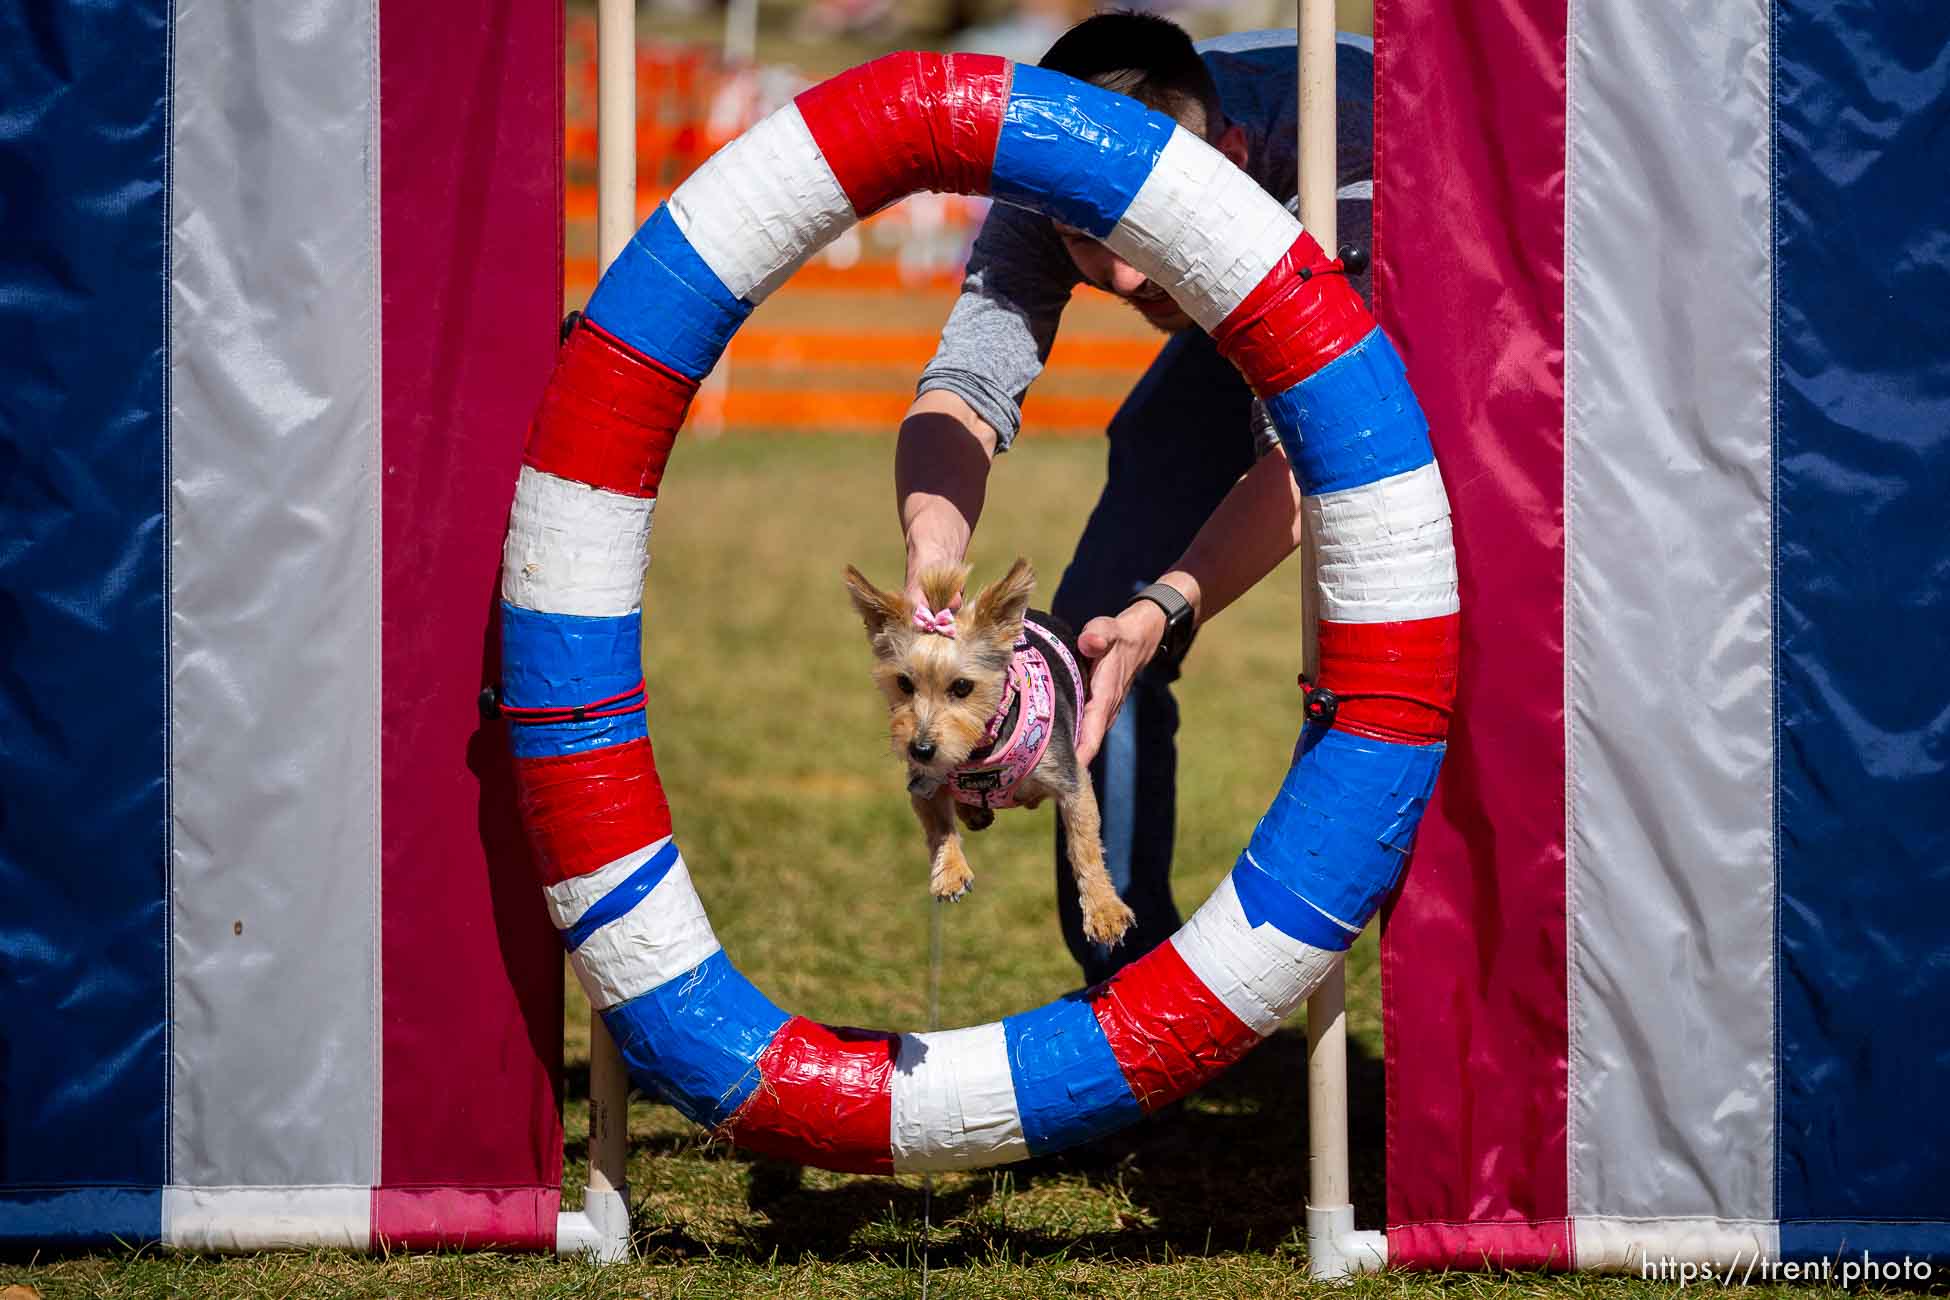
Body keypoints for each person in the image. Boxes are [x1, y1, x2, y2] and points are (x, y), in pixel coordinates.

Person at [895, 12, 1375, 983]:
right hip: (1234, 287)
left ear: (1224, 157)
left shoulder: (1344, 158)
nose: (1121, 275)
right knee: (1094, 641)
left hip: (1383, 279)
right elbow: (967, 385)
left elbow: (1315, 464)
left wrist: (1170, 603)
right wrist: (929, 552)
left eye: (1144, 235)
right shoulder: (1054, 167)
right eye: (1086, 237)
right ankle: (1130, 989)